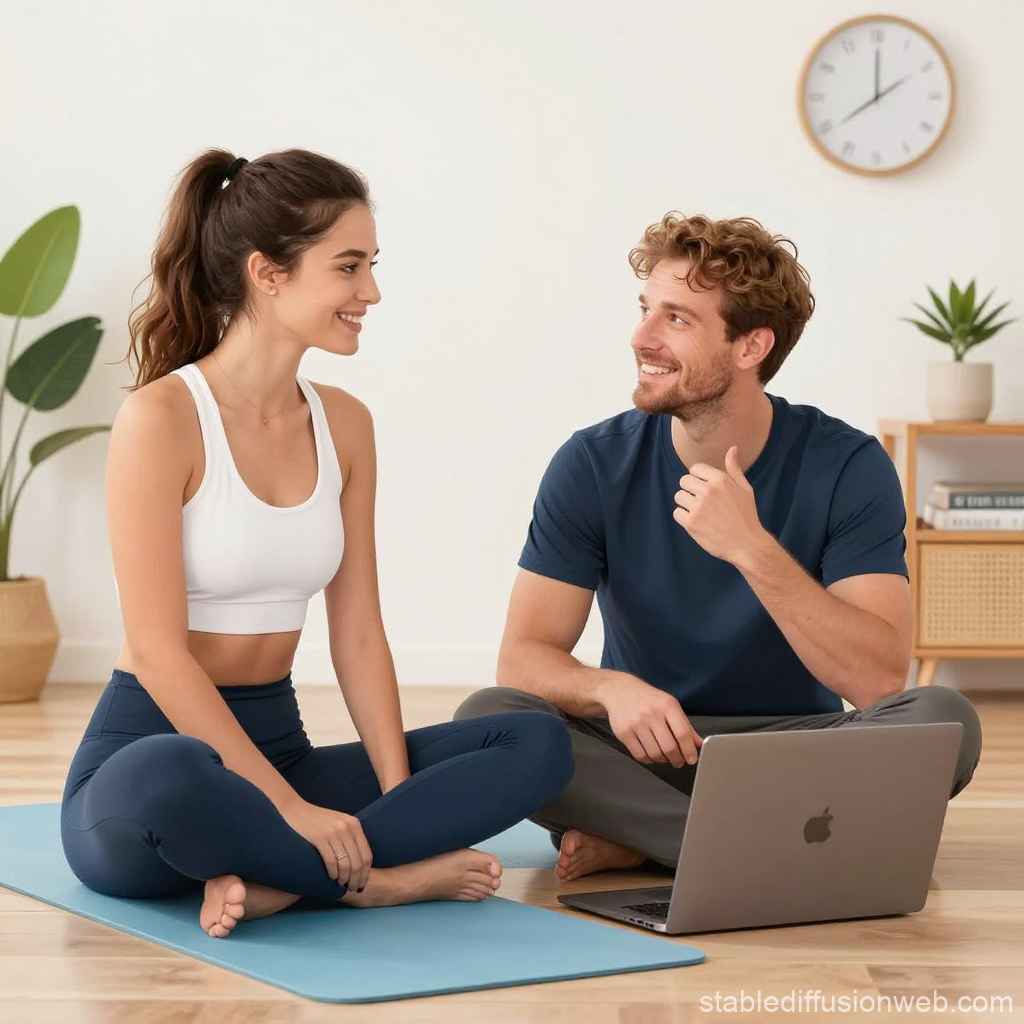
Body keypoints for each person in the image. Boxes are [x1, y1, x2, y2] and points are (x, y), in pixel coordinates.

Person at [60, 148, 573, 938]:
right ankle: (378, 883)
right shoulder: (161, 421)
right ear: (269, 273)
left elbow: (359, 633)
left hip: (281, 745)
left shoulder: (345, 425)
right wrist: (292, 809)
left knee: (534, 740)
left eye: (370, 265)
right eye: (348, 267)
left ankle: (294, 879)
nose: (370, 291)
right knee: (165, 779)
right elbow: (158, 654)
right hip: (156, 752)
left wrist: (400, 800)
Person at [455, 212, 982, 883]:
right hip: (644, 748)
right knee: (491, 720)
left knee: (945, 720)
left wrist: (752, 549)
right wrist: (610, 688)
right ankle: (775, 851)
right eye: (646, 310)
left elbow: (879, 681)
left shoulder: (846, 464)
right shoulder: (592, 463)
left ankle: (651, 842)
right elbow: (522, 657)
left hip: (793, 752)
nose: (641, 337)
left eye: (676, 318)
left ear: (750, 346)